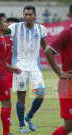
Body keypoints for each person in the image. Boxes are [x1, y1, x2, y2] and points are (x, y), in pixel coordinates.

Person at [8, 5, 48, 133]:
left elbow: (45, 47)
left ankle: (29, 116)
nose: (28, 17)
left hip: (34, 67)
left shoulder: (41, 29)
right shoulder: (16, 27)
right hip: (19, 65)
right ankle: (21, 125)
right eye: (26, 14)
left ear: (34, 15)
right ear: (23, 15)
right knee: (21, 95)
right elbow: (1, 30)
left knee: (41, 94)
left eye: (30, 14)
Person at [45, 4, 72, 135]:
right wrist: (60, 72)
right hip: (68, 84)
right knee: (70, 124)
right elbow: (48, 50)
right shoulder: (67, 33)